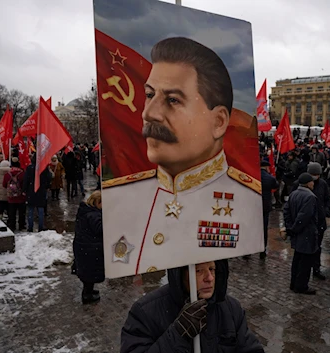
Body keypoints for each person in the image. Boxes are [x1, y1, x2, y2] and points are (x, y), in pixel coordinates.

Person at [101, 37, 262, 278]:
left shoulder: (248, 200)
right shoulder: (117, 197)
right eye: (148, 94)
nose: (148, 113)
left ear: (218, 122)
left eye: (173, 100)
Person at [120, 260, 264, 352]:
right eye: (198, 271)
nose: (209, 278)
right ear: (180, 275)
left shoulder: (231, 308)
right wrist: (178, 333)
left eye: (212, 269)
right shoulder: (145, 312)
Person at [283, 173, 319, 295]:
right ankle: (301, 286)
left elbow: (286, 211)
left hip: (297, 233)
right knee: (305, 261)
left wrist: (289, 227)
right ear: (308, 183)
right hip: (306, 233)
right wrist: (295, 228)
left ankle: (294, 283)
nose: (313, 183)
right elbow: (304, 216)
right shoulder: (310, 197)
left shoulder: (293, 193)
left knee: (297, 259)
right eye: (312, 182)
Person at [73, 190, 104, 304]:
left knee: (87, 271)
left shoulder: (86, 210)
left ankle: (89, 291)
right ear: (97, 202)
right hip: (89, 248)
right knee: (89, 272)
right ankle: (87, 295)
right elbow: (100, 229)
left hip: (83, 246)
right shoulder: (93, 215)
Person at [24, 157, 52, 232]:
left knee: (31, 209)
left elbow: (26, 179)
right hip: (41, 191)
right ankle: (40, 226)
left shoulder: (29, 168)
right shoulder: (44, 168)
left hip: (31, 191)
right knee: (40, 210)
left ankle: (30, 227)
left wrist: (25, 190)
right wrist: (47, 186)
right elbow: (49, 178)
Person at [260, 160, 278, 260]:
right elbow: (276, 185)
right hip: (265, 206)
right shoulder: (270, 178)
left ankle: (248, 252)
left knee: (252, 228)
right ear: (267, 167)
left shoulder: (255, 176)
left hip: (255, 206)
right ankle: (262, 250)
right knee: (264, 228)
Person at [3, 158, 26, 231]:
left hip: (11, 197)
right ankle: (21, 225)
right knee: (21, 212)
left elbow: (4, 184)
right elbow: (24, 184)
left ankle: (12, 225)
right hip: (21, 197)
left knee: (11, 212)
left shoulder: (7, 174)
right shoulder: (22, 173)